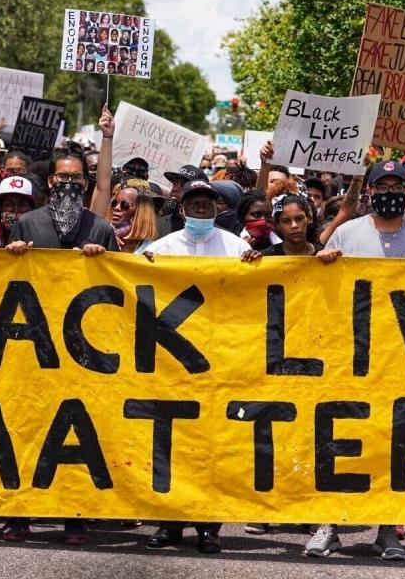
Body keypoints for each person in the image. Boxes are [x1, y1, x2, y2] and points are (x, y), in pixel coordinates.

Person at [309, 161, 405, 562]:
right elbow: (317, 293)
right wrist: (324, 264)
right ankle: (330, 524)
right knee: (342, 437)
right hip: (350, 356)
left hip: (402, 359)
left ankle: (388, 529)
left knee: (395, 441)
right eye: (381, 184)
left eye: (396, 185)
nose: (388, 191)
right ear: (368, 191)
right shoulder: (347, 234)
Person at [5, 148, 117, 544]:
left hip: (82, 352)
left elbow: (119, 289)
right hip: (32, 348)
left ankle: (75, 516)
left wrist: (103, 261)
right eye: (62, 178)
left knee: (78, 434)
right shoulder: (26, 225)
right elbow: (3, 282)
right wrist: (13, 256)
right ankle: (21, 515)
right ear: (50, 181)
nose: (68, 184)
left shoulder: (101, 229)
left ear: (84, 184)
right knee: (27, 427)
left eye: (76, 179)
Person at [142, 180, 251, 554]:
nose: (201, 207)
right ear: (182, 208)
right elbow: (134, 280)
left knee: (212, 446)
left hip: (220, 363)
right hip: (171, 365)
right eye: (195, 202)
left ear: (217, 207)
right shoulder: (161, 248)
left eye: (207, 202)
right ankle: (170, 525)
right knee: (171, 444)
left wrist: (256, 265)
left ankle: (209, 527)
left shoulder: (237, 247)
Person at [106, 180, 158, 253]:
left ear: (140, 212)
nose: (117, 208)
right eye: (114, 203)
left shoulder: (151, 249)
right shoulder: (103, 234)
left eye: (125, 205)